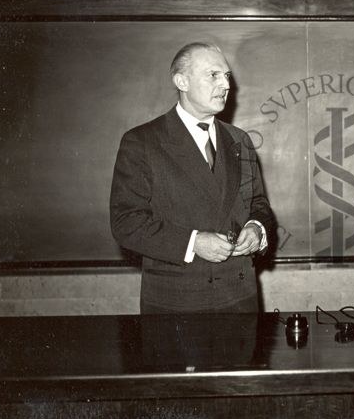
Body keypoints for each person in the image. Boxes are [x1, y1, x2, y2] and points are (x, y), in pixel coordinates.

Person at [110, 42, 275, 313]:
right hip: (176, 303)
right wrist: (193, 242)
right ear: (182, 81)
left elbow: (258, 203)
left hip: (239, 298)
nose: (226, 85)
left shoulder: (239, 140)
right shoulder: (142, 142)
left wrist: (257, 229)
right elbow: (125, 222)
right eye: (213, 75)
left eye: (227, 76)